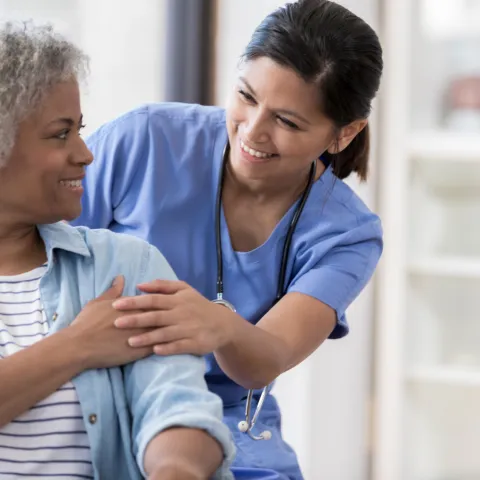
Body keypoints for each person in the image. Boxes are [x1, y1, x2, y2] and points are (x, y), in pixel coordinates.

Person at [72, 0, 384, 478]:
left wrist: (220, 325)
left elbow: (266, 360)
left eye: (287, 121)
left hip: (228, 418)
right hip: (93, 384)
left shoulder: (348, 234)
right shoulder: (148, 139)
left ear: (344, 134)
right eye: (246, 96)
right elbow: (35, 247)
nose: (253, 131)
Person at [0, 22, 235, 480]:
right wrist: (77, 345)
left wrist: (176, 469)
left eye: (80, 130)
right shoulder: (95, 317)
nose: (86, 154)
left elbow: (176, 403)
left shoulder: (125, 267)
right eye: (60, 134)